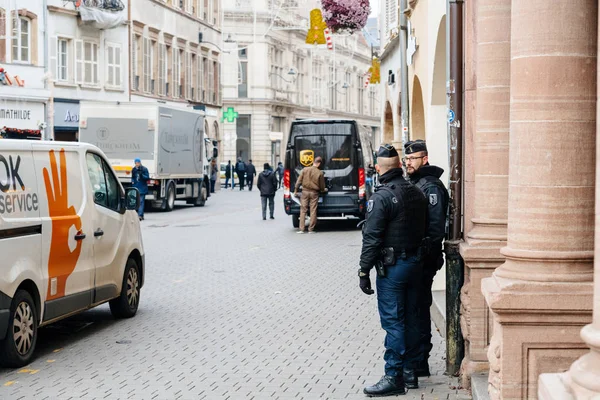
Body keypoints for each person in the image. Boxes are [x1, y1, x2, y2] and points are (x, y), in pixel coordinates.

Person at [358, 144, 428, 396]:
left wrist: (363, 271)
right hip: (415, 264)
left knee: (394, 322)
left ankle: (394, 376)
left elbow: (372, 238)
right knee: (410, 317)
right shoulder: (416, 192)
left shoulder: (382, 197)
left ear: (378, 168)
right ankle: (410, 372)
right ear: (400, 165)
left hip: (393, 268)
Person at [403, 140, 449, 377]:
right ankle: (417, 360)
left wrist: (426, 256)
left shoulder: (430, 186)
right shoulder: (417, 182)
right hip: (417, 258)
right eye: (407, 159)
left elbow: (434, 227)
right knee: (414, 309)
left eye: (413, 159)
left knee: (419, 310)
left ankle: (421, 362)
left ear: (425, 159)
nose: (408, 163)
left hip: (424, 259)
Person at [293, 156, 326, 234]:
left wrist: (295, 190)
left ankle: (301, 229)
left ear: (313, 162)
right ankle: (311, 229)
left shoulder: (305, 169)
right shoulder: (320, 173)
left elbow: (298, 181)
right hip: (314, 193)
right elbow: (322, 186)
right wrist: (323, 190)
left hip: (304, 192)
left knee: (303, 210)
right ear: (319, 163)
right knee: (313, 210)